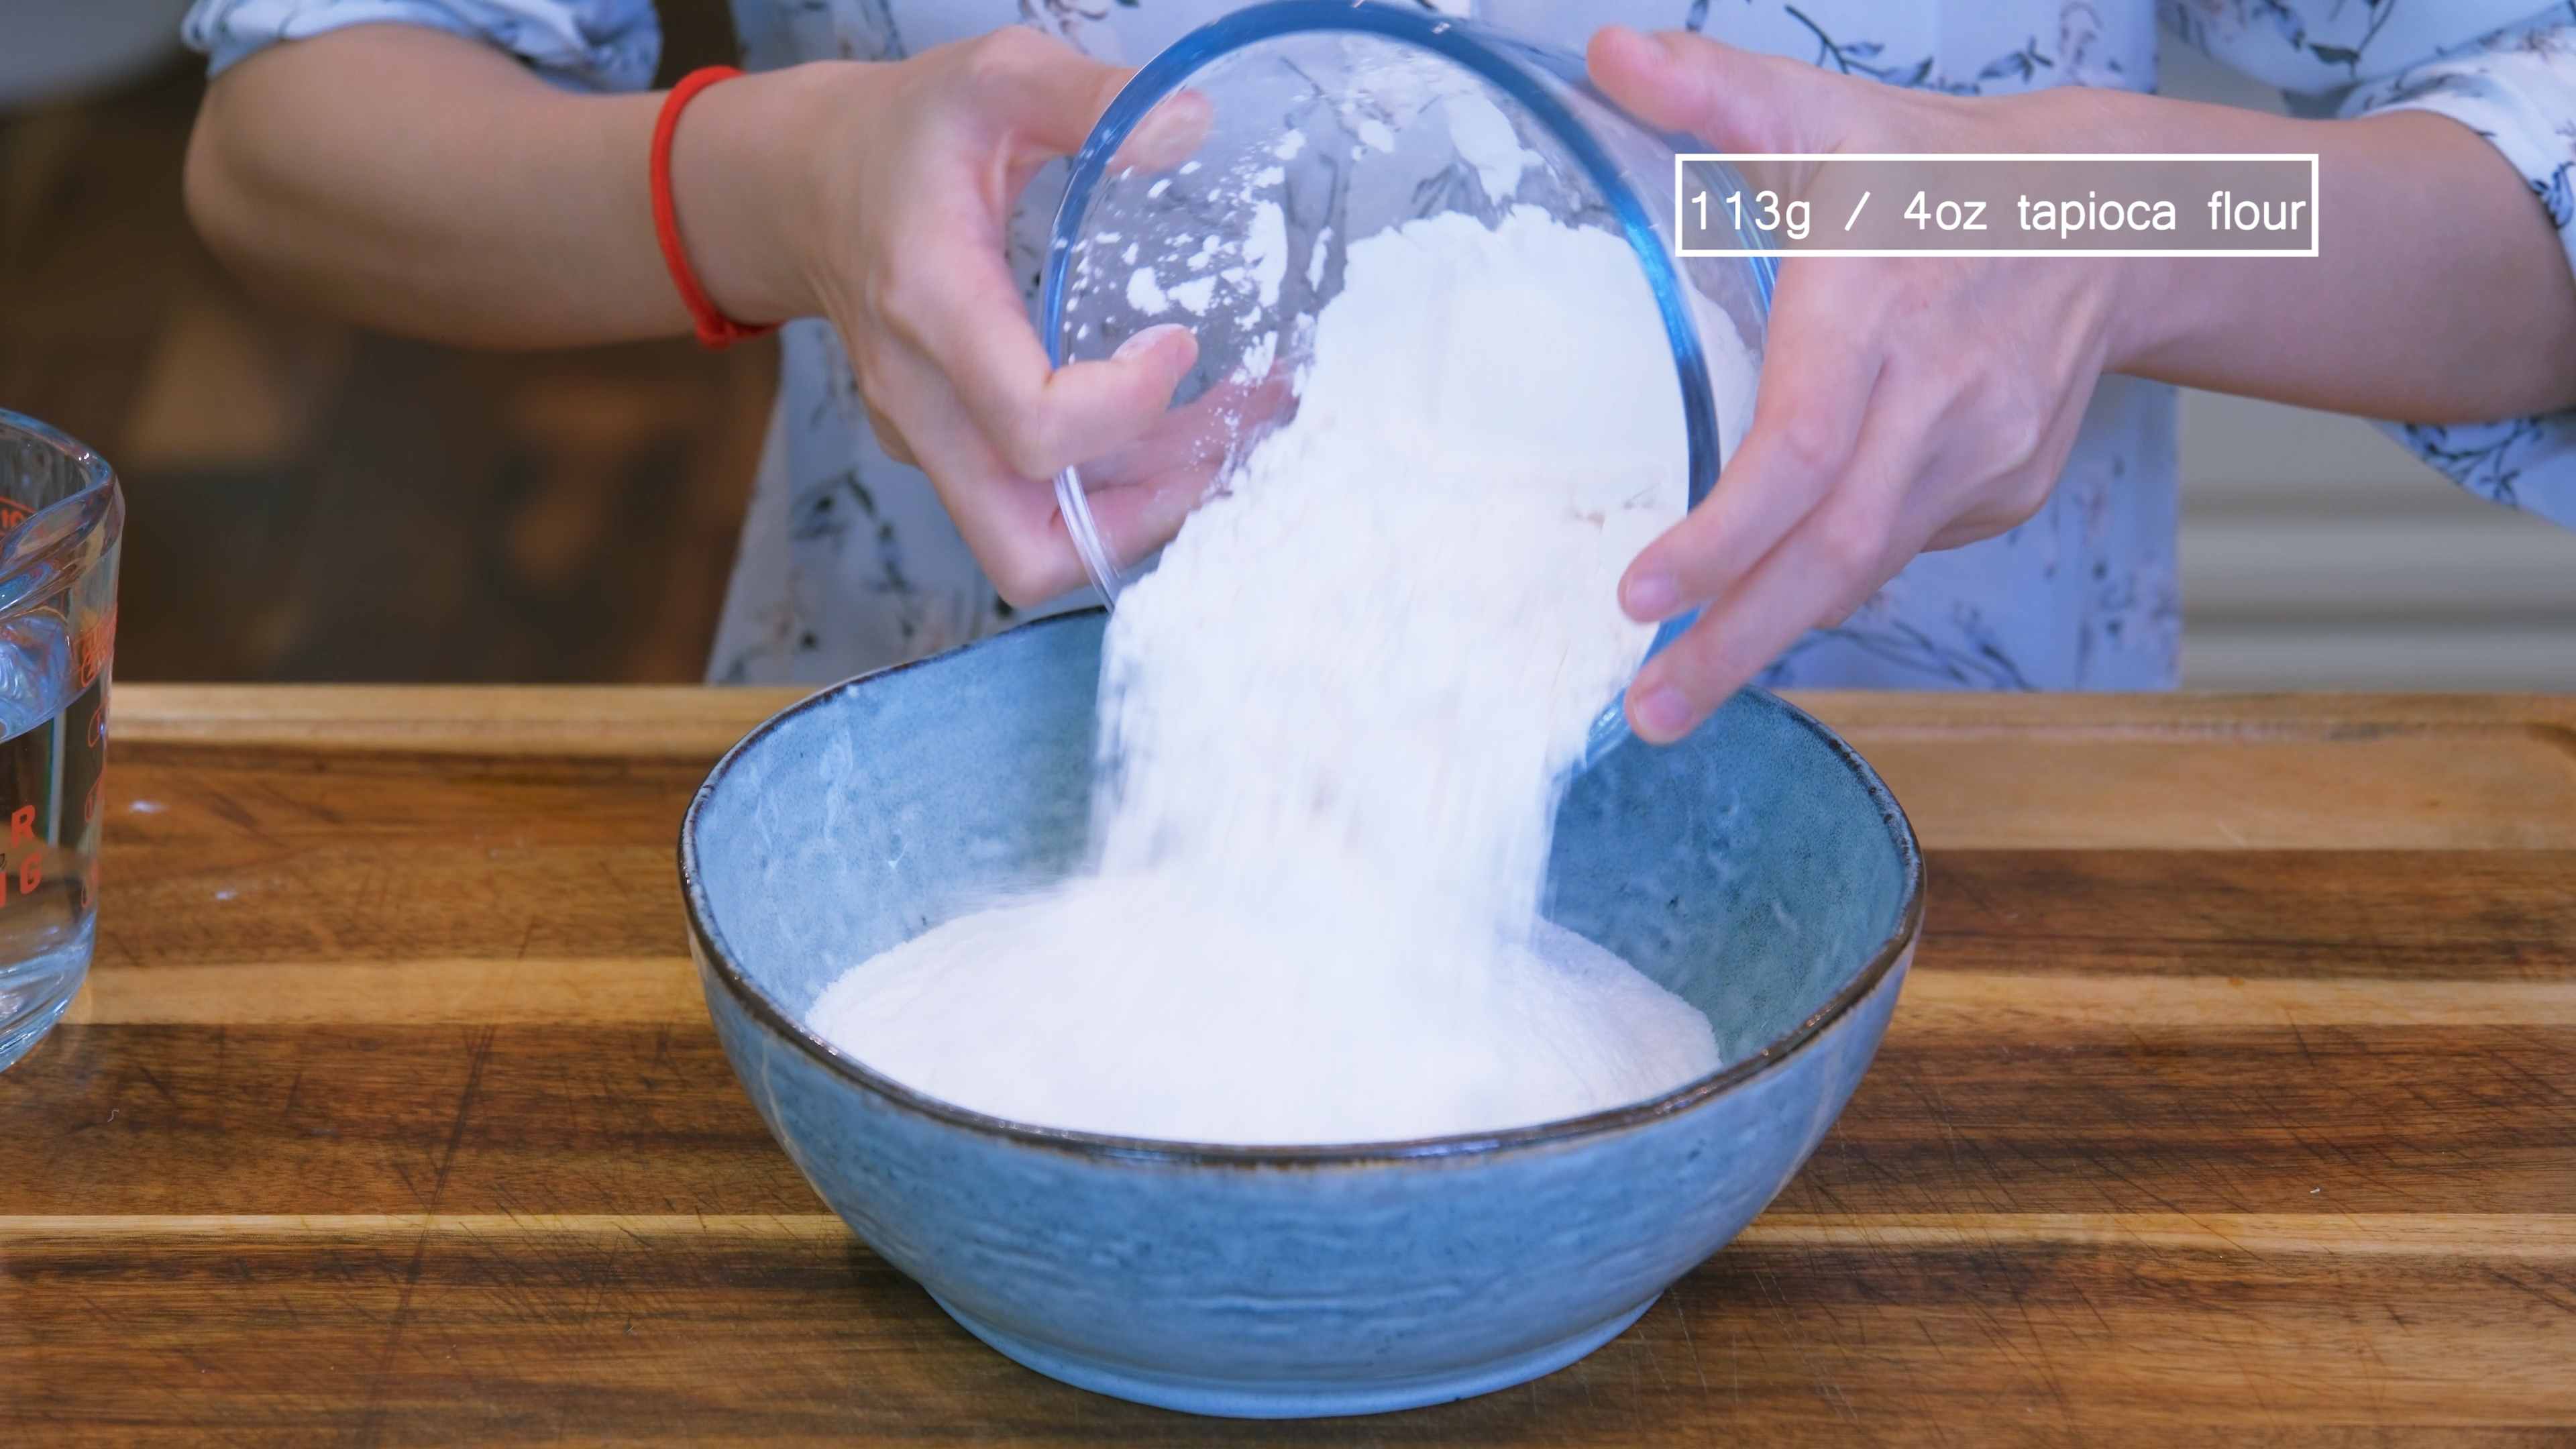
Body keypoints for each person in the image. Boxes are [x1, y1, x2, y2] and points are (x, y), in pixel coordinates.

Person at [179, 1, 2576, 741]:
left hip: (1945, 952)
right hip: (954, 822)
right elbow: (293, 131)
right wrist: (776, 185)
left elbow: (2538, 196)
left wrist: (2107, 222)